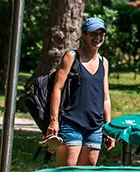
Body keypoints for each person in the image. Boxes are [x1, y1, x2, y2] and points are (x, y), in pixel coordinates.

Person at [46, 17, 115, 166]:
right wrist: (54, 121)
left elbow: (105, 98)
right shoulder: (71, 57)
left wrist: (108, 127)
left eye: (101, 34)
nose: (98, 38)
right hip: (71, 124)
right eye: (93, 34)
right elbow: (57, 89)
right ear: (84, 35)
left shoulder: (104, 62)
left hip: (95, 127)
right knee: (67, 170)